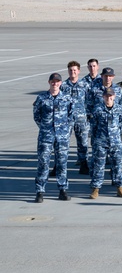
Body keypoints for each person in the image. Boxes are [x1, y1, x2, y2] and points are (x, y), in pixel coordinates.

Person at [33, 72, 74, 202]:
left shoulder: (67, 98)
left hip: (62, 137)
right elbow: (37, 116)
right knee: (43, 163)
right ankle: (40, 191)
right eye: (53, 81)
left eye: (57, 81)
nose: (55, 83)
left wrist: (65, 131)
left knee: (62, 163)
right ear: (49, 82)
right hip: (46, 136)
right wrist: (45, 128)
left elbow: (71, 116)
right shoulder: (42, 98)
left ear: (60, 83)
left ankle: (62, 190)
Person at [88, 88, 122, 199]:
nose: (108, 99)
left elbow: (121, 125)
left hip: (115, 141)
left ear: (114, 97)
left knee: (117, 165)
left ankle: (119, 187)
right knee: (98, 165)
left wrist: (115, 136)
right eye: (106, 97)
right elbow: (93, 126)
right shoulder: (97, 109)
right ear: (103, 97)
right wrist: (97, 139)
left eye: (110, 97)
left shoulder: (119, 109)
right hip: (100, 141)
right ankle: (96, 188)